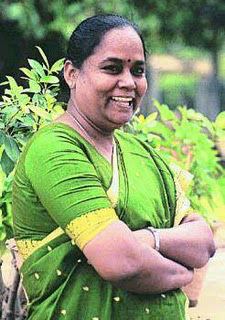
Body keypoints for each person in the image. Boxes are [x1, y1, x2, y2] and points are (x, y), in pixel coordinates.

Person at [12, 14, 215, 320]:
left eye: (138, 71)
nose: (128, 83)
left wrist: (148, 240)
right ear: (71, 73)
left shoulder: (143, 153)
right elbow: (120, 262)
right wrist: (183, 273)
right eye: (112, 68)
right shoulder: (53, 148)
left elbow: (203, 242)